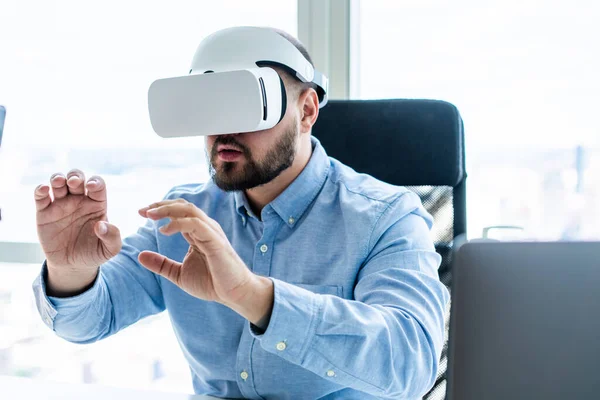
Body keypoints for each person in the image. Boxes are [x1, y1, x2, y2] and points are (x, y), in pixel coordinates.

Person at [32, 27, 449, 399]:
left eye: (248, 102)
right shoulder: (185, 217)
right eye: (210, 104)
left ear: (306, 111)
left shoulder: (387, 216)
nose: (224, 129)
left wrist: (255, 297)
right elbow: (87, 322)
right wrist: (69, 272)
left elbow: (412, 364)